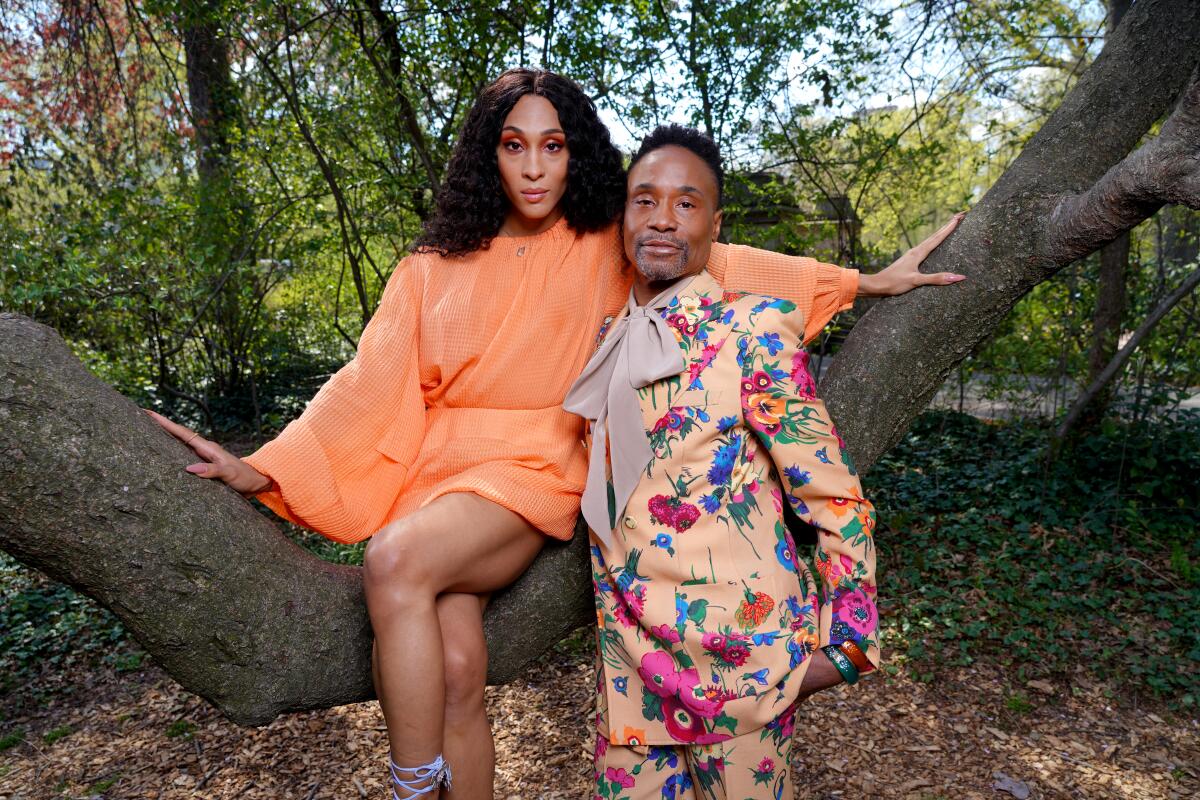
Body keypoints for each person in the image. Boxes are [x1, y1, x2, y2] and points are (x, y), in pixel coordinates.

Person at [147, 69, 964, 799]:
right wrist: (266, 467)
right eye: (514, 146)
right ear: (487, 157)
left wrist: (866, 281)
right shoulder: (427, 268)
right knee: (460, 672)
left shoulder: (602, 242)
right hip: (435, 477)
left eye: (553, 146)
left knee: (392, 559)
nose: (534, 167)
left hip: (534, 465)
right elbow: (366, 383)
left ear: (575, 156)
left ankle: (408, 785)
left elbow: (716, 254)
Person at [564, 125, 932, 798]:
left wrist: (845, 653)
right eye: (644, 200)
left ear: (715, 225)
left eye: (686, 202)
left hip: (746, 674)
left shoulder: (752, 331)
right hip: (630, 678)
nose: (662, 219)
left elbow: (835, 499)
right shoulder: (602, 339)